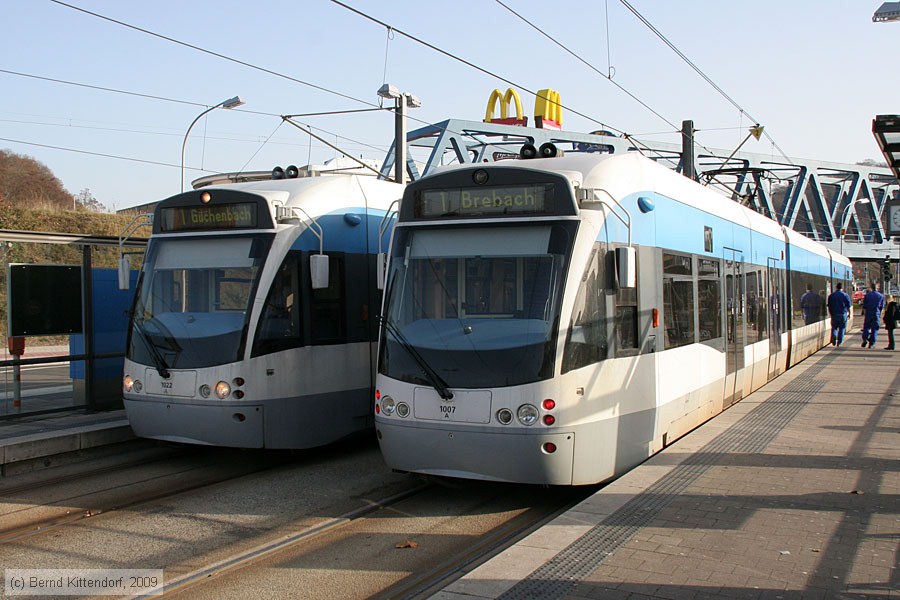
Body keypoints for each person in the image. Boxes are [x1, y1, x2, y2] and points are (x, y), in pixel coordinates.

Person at [860, 282, 885, 348]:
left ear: (871, 288)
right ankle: (872, 343)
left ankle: (865, 338)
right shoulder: (881, 296)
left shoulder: (867, 295)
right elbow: (881, 307)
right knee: (874, 329)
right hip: (876, 313)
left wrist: (865, 313)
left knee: (866, 327)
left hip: (868, 313)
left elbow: (864, 306)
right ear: (877, 288)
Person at [826, 282, 852, 347]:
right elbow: (848, 306)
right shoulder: (845, 295)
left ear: (836, 287)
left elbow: (829, 306)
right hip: (843, 314)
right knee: (842, 328)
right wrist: (849, 314)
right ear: (842, 288)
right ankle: (839, 342)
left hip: (834, 314)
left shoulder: (831, 295)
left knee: (834, 327)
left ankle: (834, 335)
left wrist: (831, 314)